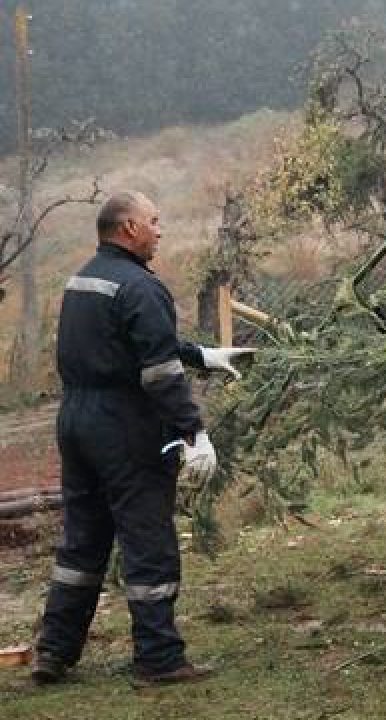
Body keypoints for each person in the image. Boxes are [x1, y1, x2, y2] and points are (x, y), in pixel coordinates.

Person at [32, 191, 253, 687]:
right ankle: (159, 659)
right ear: (129, 227)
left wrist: (203, 355)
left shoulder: (83, 279)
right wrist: (193, 431)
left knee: (82, 542)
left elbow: (126, 342)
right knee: (148, 541)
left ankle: (53, 651)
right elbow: (158, 373)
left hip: (76, 423)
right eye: (153, 221)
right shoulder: (141, 286)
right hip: (125, 427)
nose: (160, 230)